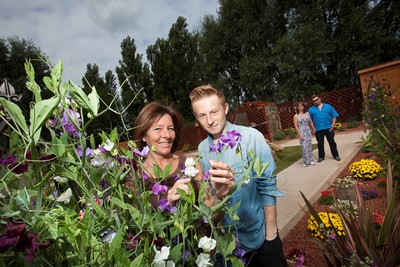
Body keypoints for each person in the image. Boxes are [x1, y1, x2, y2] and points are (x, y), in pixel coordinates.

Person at [189, 85, 287, 267]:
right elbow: (211, 197)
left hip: (260, 236)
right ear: (196, 118)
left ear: (225, 108)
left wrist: (271, 235)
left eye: (214, 112)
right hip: (229, 242)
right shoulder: (203, 149)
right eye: (202, 115)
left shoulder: (251, 138)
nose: (209, 121)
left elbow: (268, 187)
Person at [308, 94, 341, 162]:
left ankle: (336, 155)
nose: (315, 101)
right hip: (318, 129)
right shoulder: (311, 110)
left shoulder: (328, 106)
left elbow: (334, 115)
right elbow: (309, 120)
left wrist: (333, 125)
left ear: (320, 99)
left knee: (332, 142)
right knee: (320, 144)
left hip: (329, 128)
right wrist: (313, 129)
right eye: (314, 101)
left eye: (317, 100)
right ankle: (321, 157)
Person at [293, 102, 316, 167]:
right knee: (304, 147)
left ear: (303, 107)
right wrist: (300, 135)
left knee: (309, 146)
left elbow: (310, 122)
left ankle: (311, 160)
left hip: (308, 131)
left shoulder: (307, 114)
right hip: (301, 132)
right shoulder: (296, 116)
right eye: (299, 106)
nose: (300, 107)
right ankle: (306, 162)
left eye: (301, 106)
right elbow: (296, 126)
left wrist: (313, 129)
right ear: (297, 108)